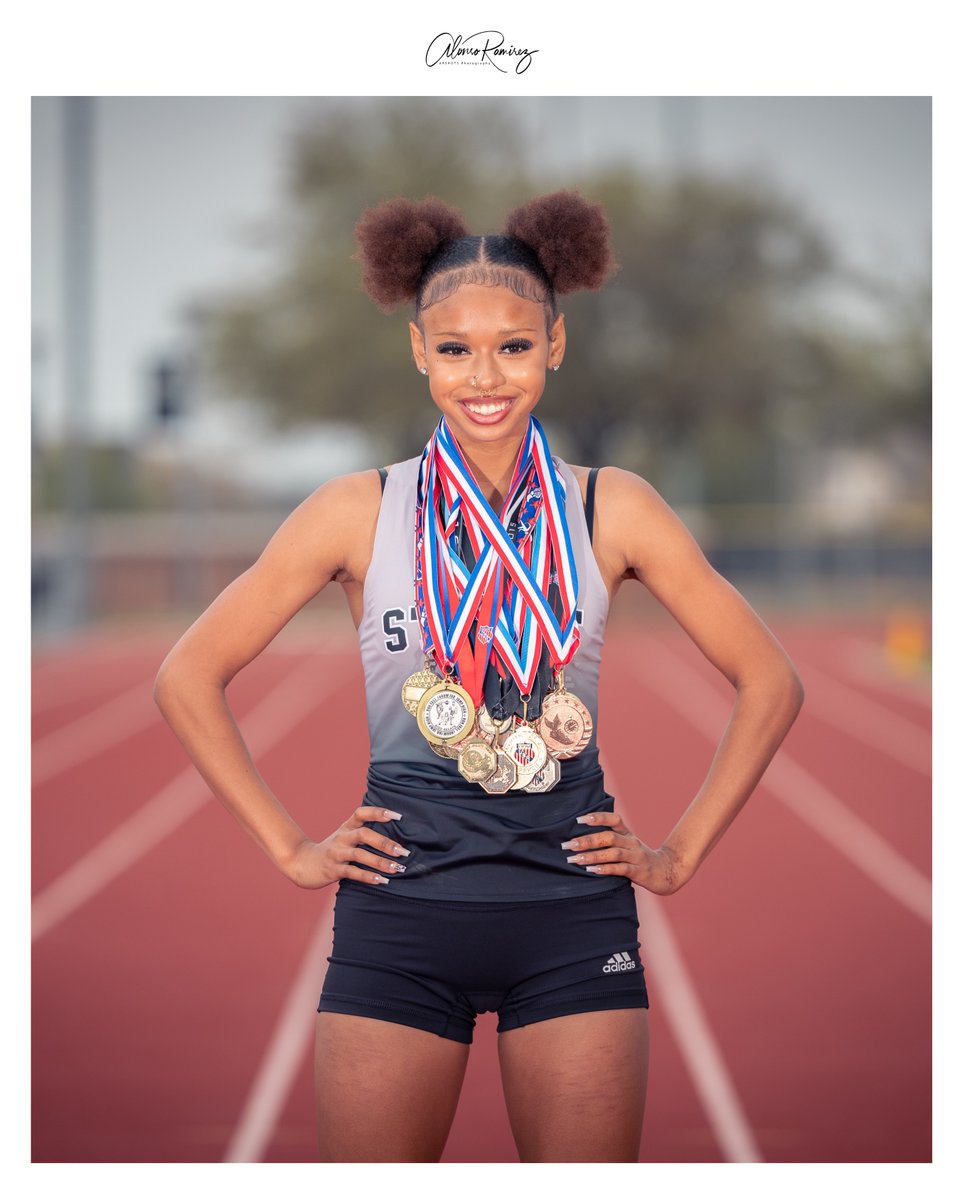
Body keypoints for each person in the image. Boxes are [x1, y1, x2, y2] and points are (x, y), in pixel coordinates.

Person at [154, 189, 804, 1164]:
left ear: (556, 345)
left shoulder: (611, 509)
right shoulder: (354, 512)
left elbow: (771, 679)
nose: (484, 374)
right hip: (401, 916)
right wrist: (289, 844)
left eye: (512, 344)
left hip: (573, 917)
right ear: (419, 350)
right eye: (454, 348)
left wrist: (678, 854)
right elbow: (187, 674)